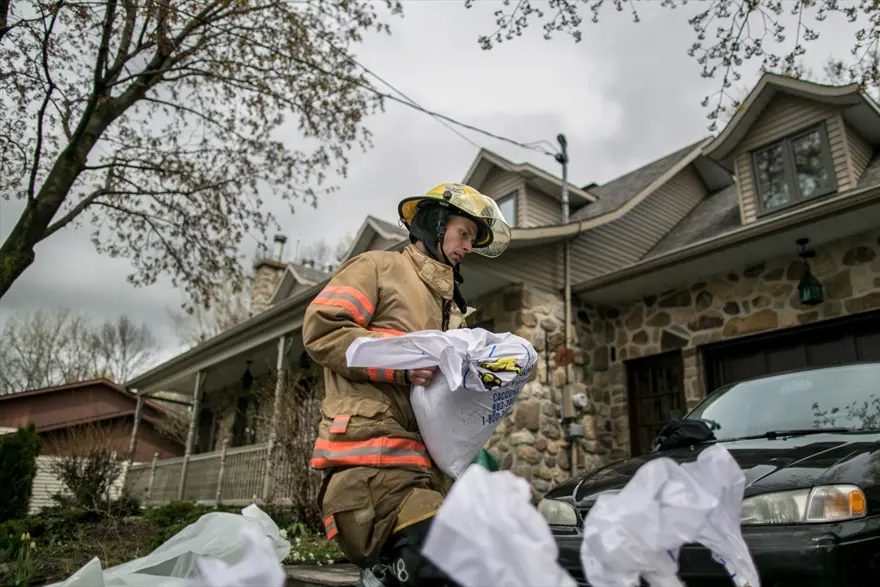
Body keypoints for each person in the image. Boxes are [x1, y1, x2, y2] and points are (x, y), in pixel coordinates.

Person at [302, 183, 511, 587]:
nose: (468, 246)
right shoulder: (378, 268)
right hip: (372, 471)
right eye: (463, 233)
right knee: (444, 563)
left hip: (428, 478)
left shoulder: (453, 309)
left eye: (473, 239)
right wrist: (402, 363)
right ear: (434, 225)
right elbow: (322, 329)